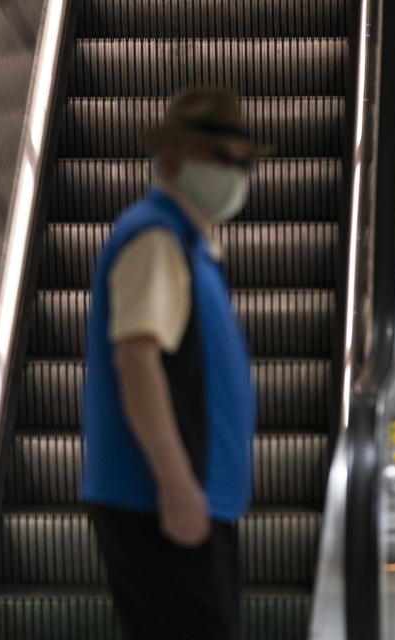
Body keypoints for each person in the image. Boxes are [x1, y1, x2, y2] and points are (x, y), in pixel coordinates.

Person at [81, 89, 260, 638]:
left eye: (243, 162)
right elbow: (136, 361)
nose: (236, 175)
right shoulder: (156, 238)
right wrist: (177, 484)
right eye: (222, 160)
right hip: (158, 496)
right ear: (177, 158)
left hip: (193, 494)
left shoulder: (187, 243)